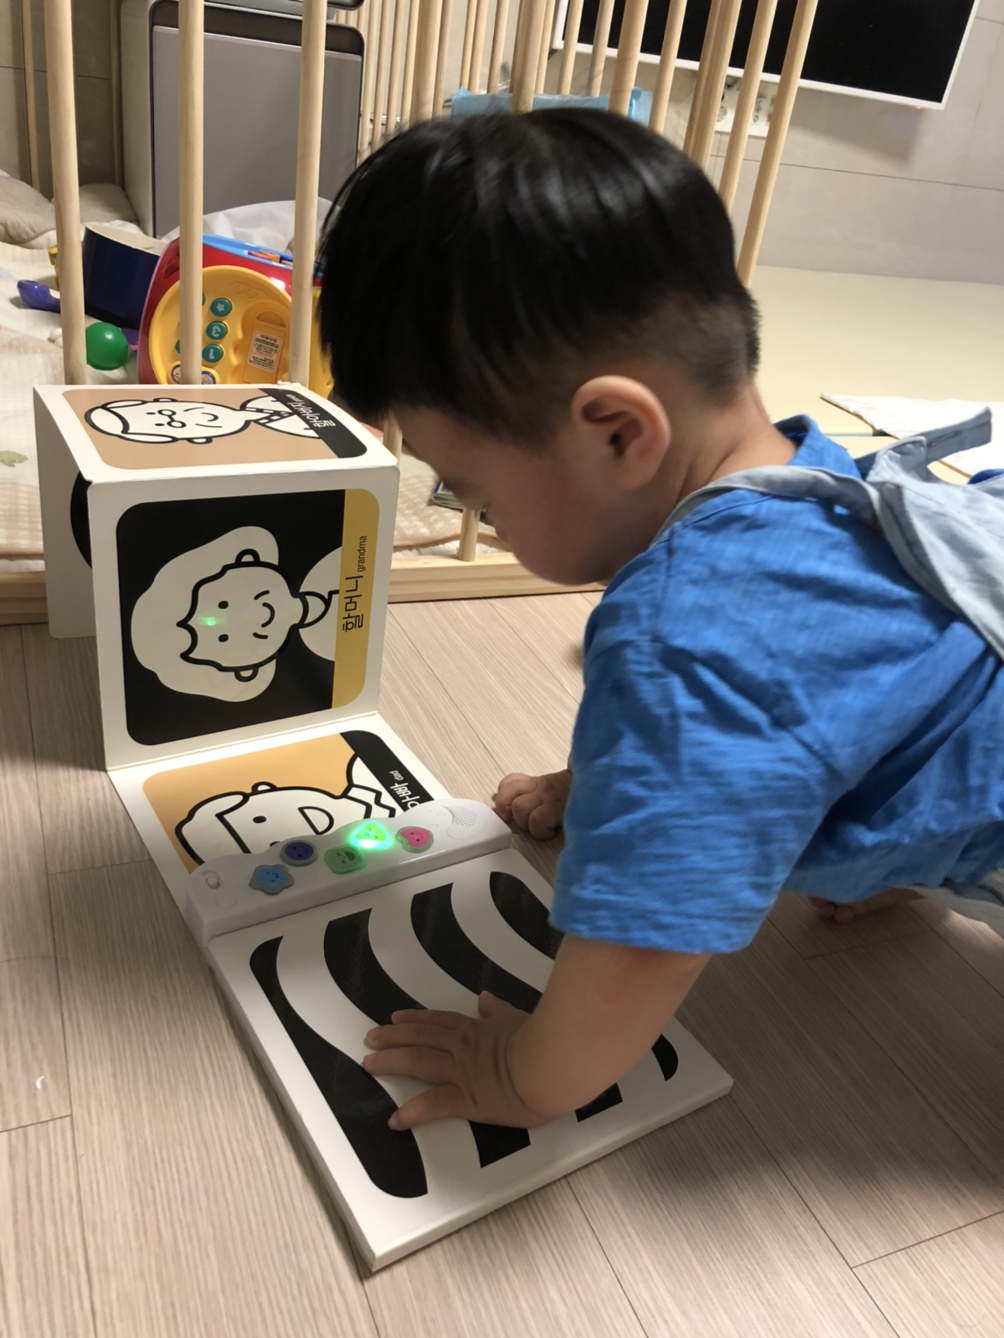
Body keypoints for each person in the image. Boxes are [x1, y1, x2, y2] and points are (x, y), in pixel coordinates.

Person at [316, 110, 1004, 1133]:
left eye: (474, 493)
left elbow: (647, 941)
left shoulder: (684, 636)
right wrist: (604, 781)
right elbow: (865, 678)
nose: (482, 520)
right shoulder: (817, 479)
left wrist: (523, 1076)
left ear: (617, 433)